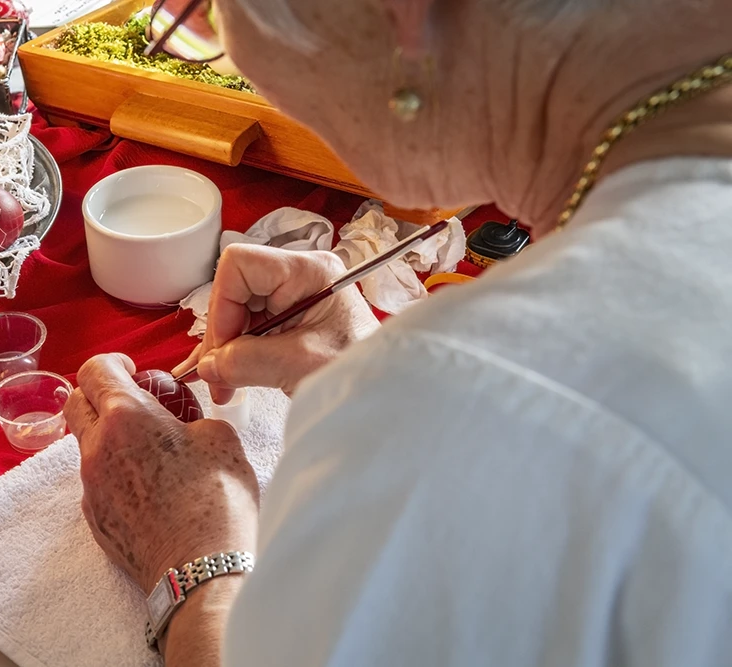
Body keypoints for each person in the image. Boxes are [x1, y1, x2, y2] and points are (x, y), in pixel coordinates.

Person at [64, 0, 732, 664]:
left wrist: (191, 561)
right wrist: (382, 381)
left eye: (202, 10)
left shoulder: (468, 408)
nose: (223, 51)